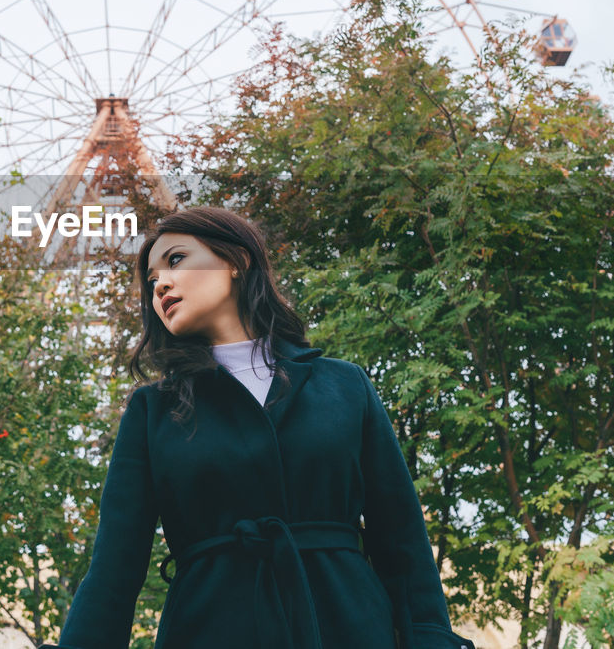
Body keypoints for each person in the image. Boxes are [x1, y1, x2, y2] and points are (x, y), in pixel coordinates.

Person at [39, 207, 475, 649]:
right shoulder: (153, 411)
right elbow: (115, 570)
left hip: (348, 625)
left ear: (236, 261)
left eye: (175, 261)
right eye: (151, 281)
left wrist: (430, 638)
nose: (161, 285)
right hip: (209, 629)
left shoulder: (344, 385)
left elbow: (402, 542)